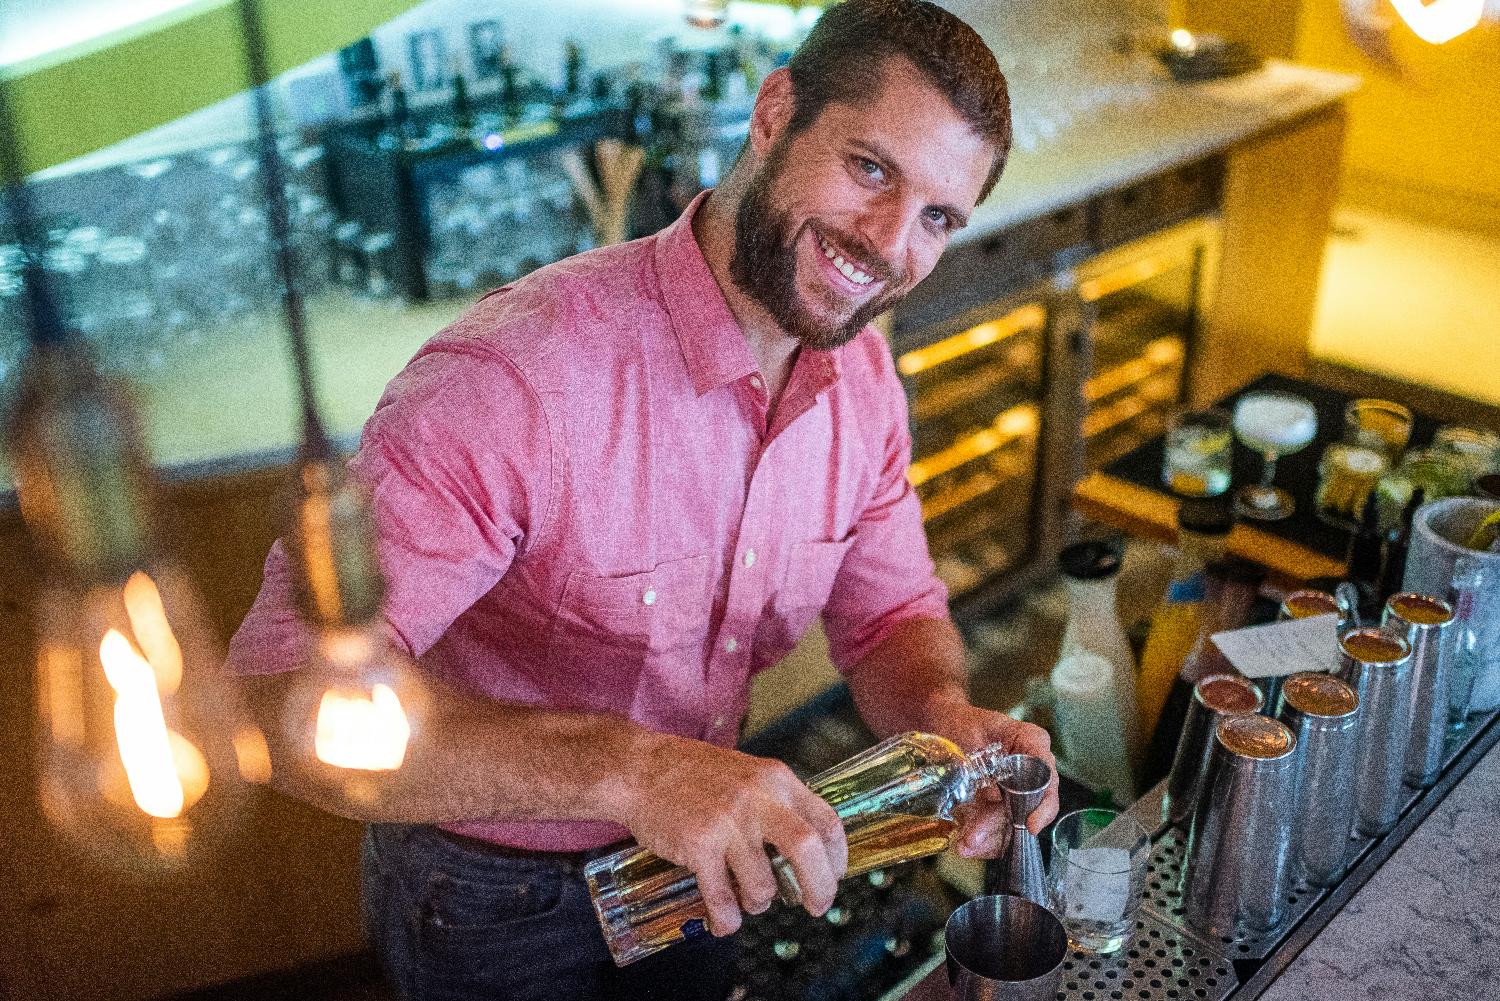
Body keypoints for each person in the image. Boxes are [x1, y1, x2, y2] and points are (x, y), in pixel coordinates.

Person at [228, 1, 1058, 998]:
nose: (890, 242)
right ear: (775, 110)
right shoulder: (516, 376)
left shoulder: (864, 381)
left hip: (706, 851)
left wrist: (942, 710)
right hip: (490, 892)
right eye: (870, 168)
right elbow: (282, 698)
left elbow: (888, 617)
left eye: (937, 217)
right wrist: (629, 768)